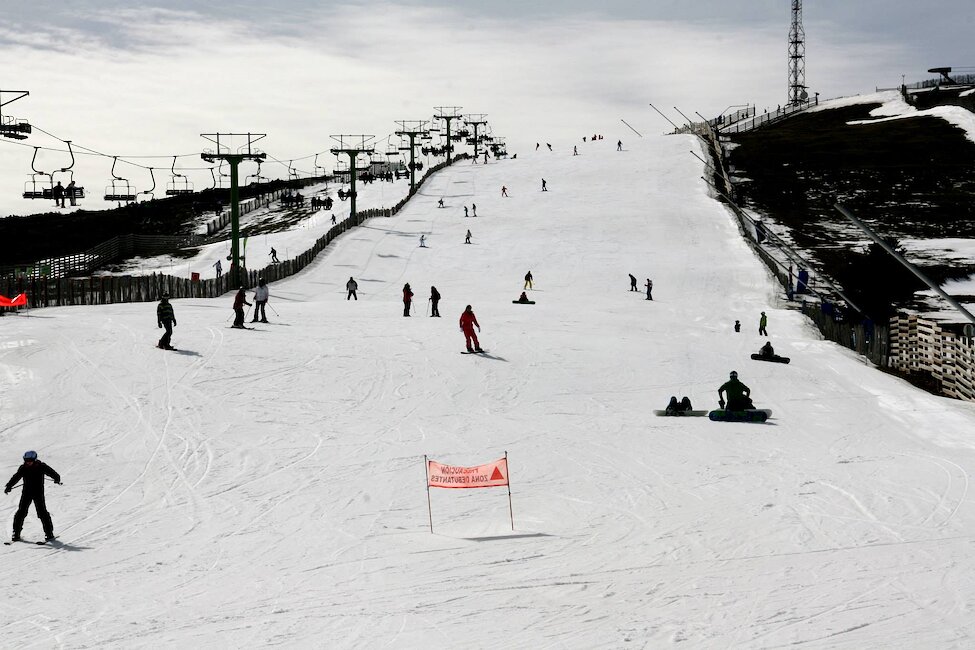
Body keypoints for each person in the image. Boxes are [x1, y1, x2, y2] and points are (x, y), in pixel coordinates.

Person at [5, 451, 61, 542]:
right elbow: (16, 477)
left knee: (42, 512)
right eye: (26, 460)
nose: (28, 462)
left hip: (38, 493)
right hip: (26, 493)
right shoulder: (23, 468)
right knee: (21, 512)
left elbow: (53, 473)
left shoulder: (41, 466)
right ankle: (16, 533)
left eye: (30, 460)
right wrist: (9, 486)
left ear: (34, 459)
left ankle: (49, 534)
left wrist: (57, 479)